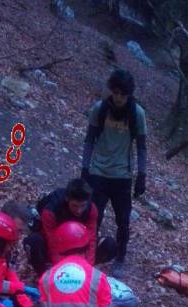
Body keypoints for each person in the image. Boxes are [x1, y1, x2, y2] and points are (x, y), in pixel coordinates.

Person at [81, 68, 147, 278]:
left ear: (129, 94)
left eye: (123, 94)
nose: (118, 98)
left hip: (122, 176)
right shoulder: (99, 109)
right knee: (93, 217)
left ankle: (120, 257)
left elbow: (142, 146)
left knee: (123, 221)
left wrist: (142, 175)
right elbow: (89, 139)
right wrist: (85, 168)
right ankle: (87, 254)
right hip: (98, 172)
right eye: (116, 92)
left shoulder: (137, 114)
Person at [23, 179, 117, 277]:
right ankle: (43, 275)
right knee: (33, 241)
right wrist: (62, 271)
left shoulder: (91, 209)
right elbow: (52, 243)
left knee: (110, 245)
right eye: (75, 206)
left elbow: (91, 239)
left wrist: (87, 269)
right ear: (67, 199)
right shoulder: (51, 212)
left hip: (78, 245)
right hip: (54, 245)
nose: (79, 210)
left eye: (82, 205)